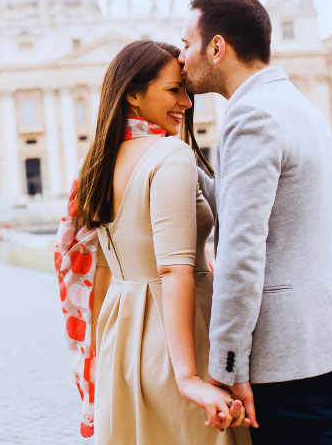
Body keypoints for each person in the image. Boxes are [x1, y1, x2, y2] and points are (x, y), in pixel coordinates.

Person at [178, 0, 332, 445]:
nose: (181, 58)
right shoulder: (296, 104)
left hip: (298, 363)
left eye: (187, 44)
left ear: (217, 47)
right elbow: (260, 207)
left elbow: (241, 251)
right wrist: (183, 162)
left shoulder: (250, 115)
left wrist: (227, 365)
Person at [55, 39, 250, 444]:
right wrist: (190, 377)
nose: (187, 103)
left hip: (120, 333)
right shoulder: (170, 155)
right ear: (133, 93)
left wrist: (106, 347)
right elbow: (173, 268)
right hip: (180, 332)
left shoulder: (95, 162)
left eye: (187, 91)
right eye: (174, 90)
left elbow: (101, 267)